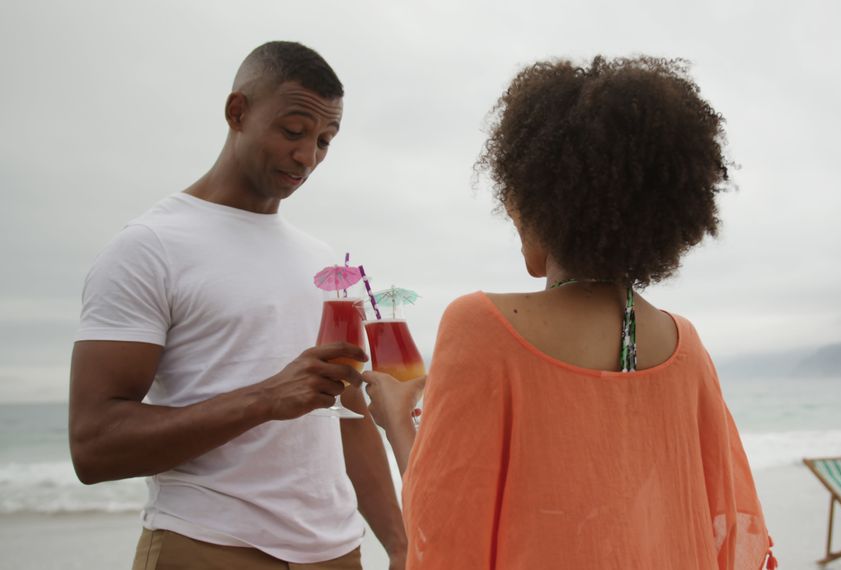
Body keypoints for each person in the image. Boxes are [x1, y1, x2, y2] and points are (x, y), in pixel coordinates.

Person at [362, 56, 776, 569]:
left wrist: (398, 419)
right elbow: (721, 531)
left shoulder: (480, 327)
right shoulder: (683, 346)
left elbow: (442, 533)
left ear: (533, 203)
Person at [69, 41, 406, 569]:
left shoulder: (324, 263)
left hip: (338, 552)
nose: (307, 156)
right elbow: (93, 445)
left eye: (324, 140)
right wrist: (266, 398)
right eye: (293, 132)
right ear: (237, 112)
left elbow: (349, 416)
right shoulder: (149, 247)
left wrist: (401, 544)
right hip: (209, 545)